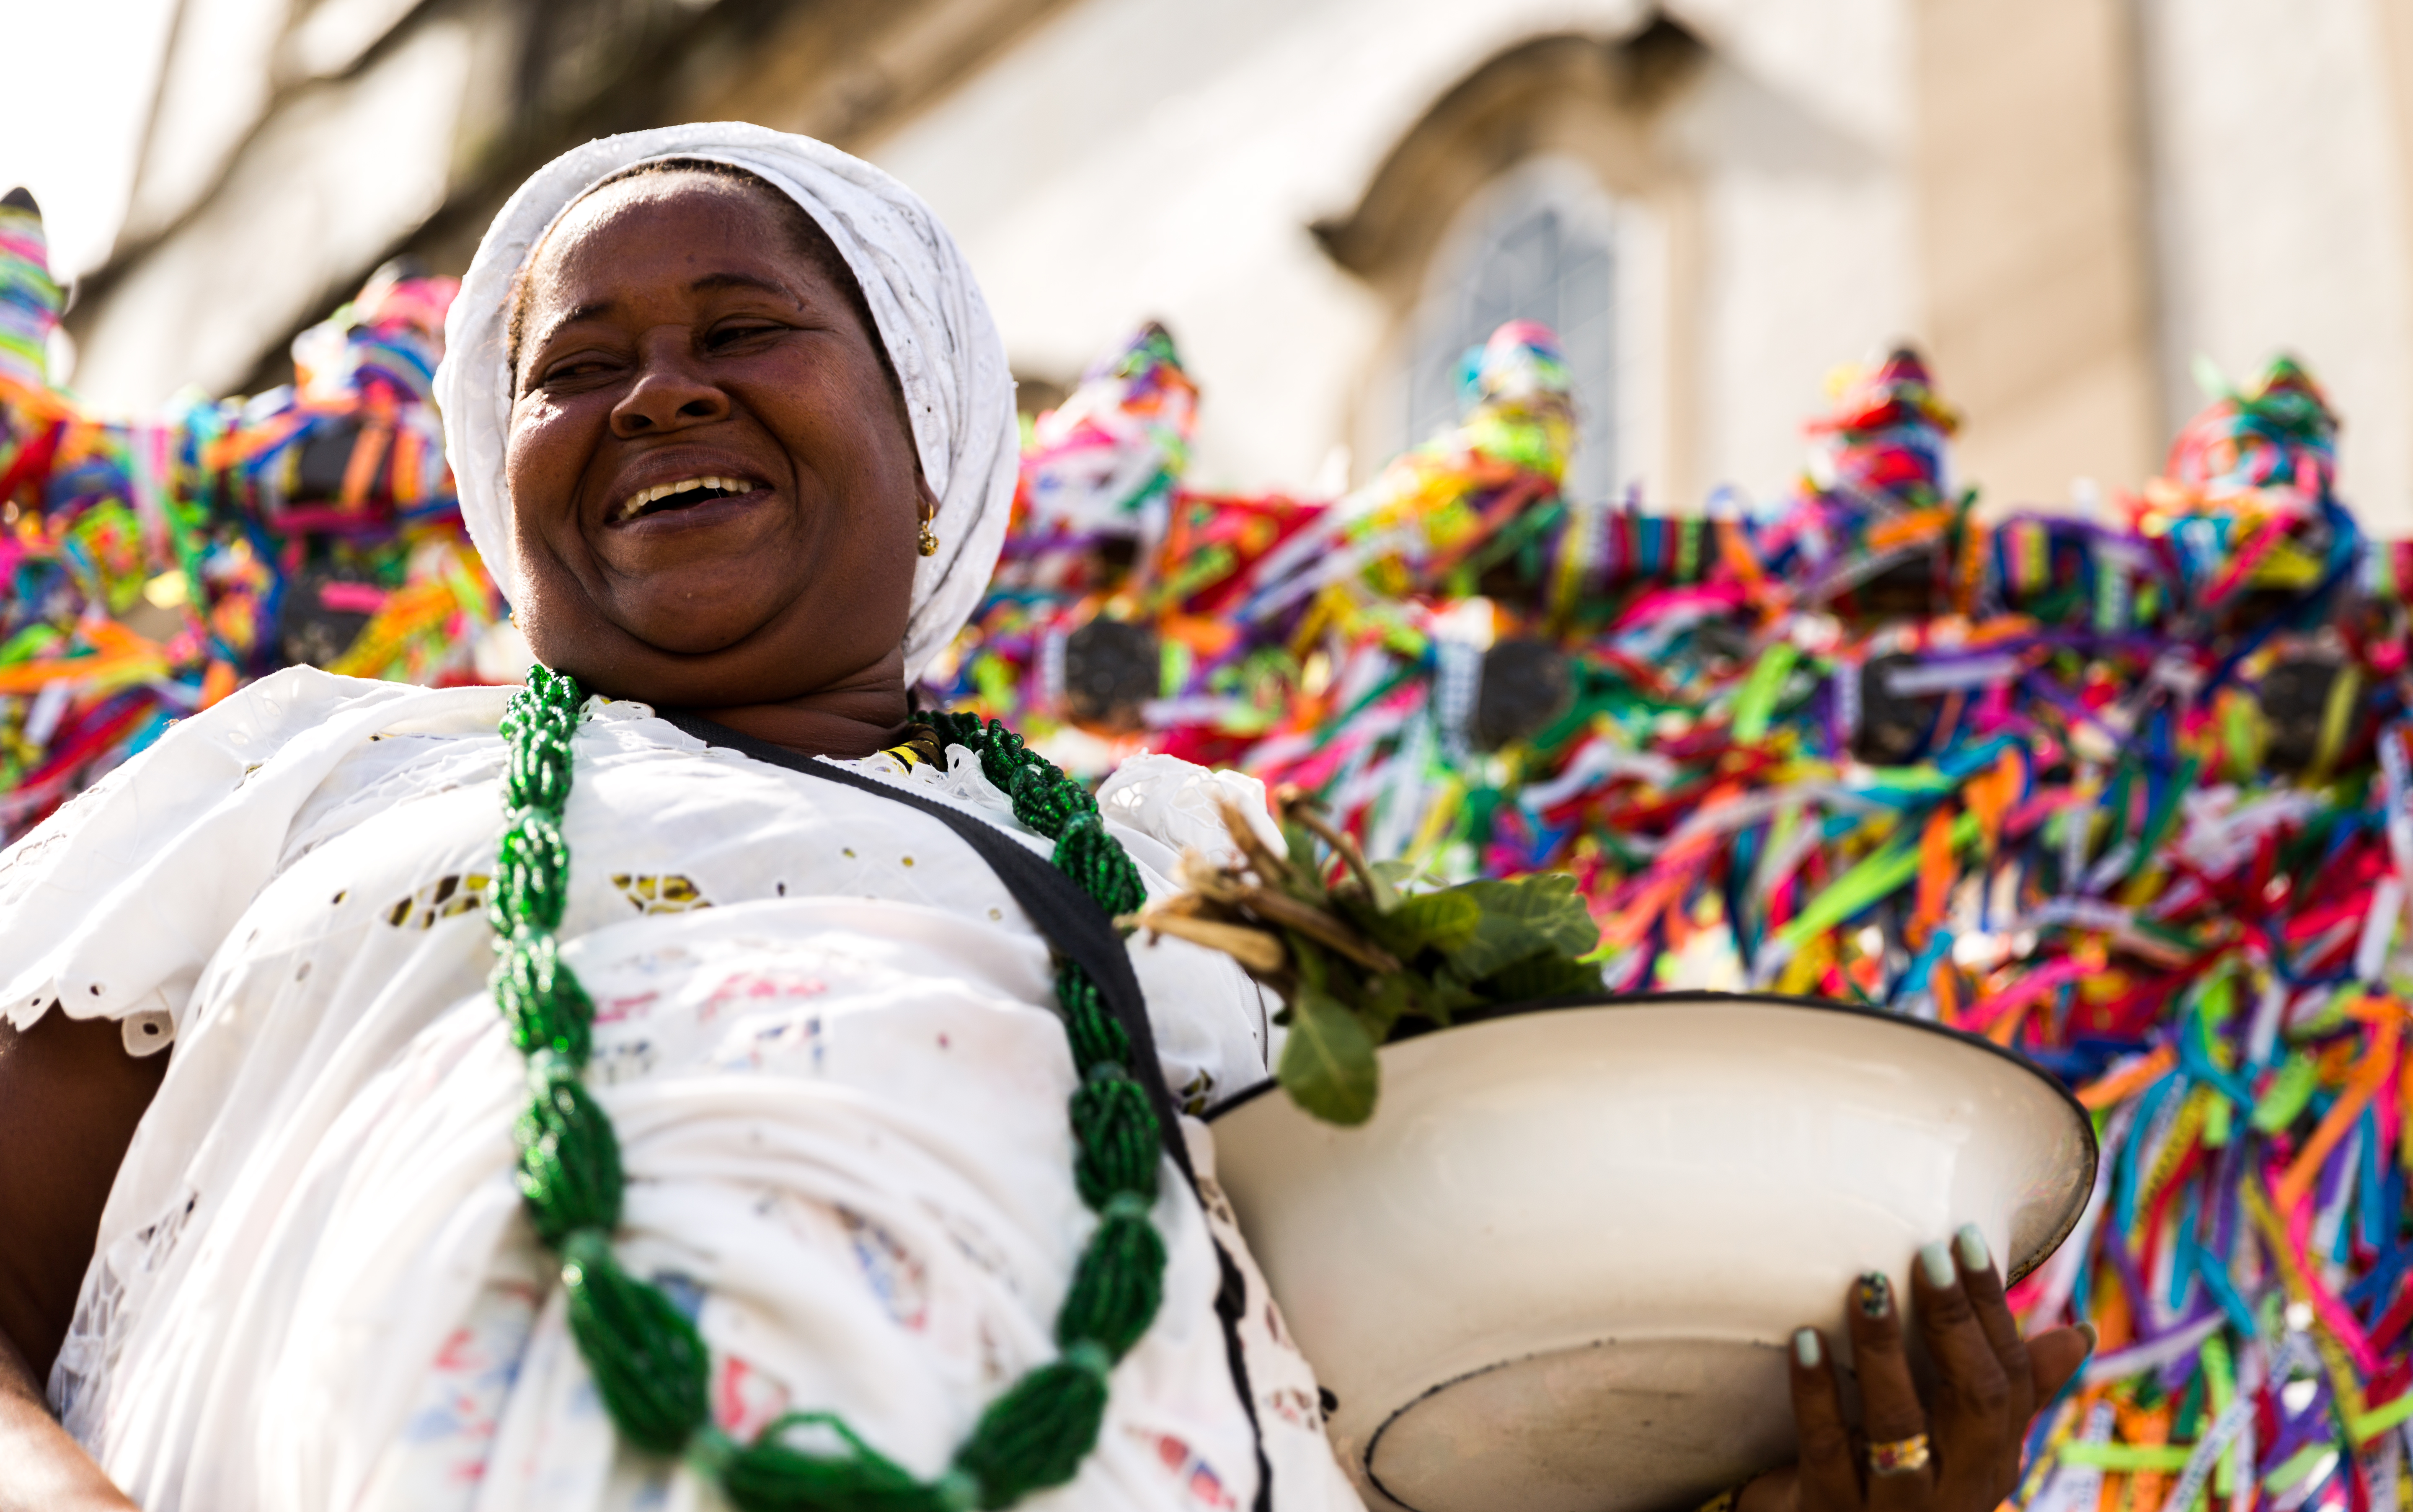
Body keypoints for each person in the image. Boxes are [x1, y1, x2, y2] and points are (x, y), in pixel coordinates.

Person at [0, 124, 2087, 1512]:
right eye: (577, 369)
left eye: (743, 332)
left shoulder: (1209, 860)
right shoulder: (315, 776)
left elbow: (1447, 1397)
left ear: (937, 442)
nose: (657, 393)